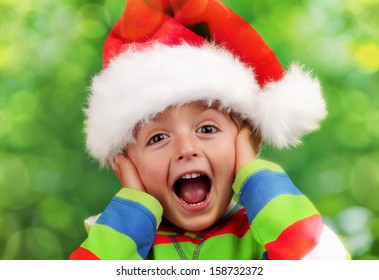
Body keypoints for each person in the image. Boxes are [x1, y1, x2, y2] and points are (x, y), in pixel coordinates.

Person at [70, 0, 350, 260]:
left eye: (206, 128)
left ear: (247, 141)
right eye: (158, 137)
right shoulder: (118, 238)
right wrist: (132, 209)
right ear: (126, 163)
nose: (186, 149)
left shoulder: (270, 232)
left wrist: (253, 174)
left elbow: (321, 261)